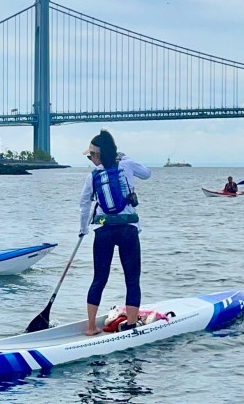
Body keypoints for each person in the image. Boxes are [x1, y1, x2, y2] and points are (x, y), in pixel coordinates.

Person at [80, 130, 152, 335]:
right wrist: (126, 157)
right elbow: (147, 173)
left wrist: (83, 229)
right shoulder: (126, 165)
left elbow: (84, 204)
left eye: (91, 155)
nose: (90, 159)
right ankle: (130, 324)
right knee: (132, 278)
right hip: (128, 229)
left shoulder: (93, 176)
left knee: (99, 278)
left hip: (103, 231)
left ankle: (91, 327)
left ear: (98, 155)